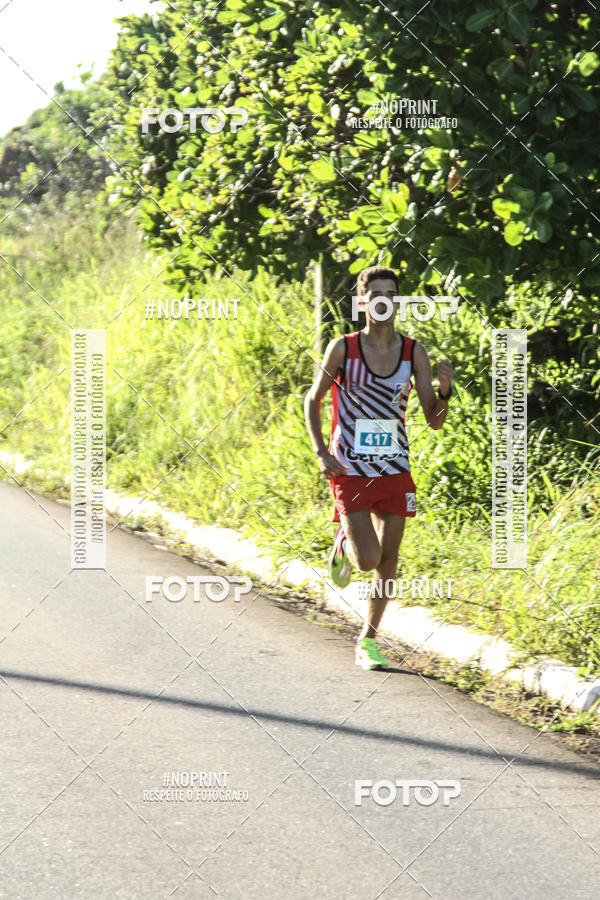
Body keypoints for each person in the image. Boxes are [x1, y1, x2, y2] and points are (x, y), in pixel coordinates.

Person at [304, 265, 454, 669]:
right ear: (363, 301)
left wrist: (445, 390)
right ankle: (344, 543)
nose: (384, 300)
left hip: (394, 469)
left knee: (389, 560)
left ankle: (368, 640)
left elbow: (433, 419)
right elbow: (312, 400)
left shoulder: (413, 352)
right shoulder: (344, 348)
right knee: (367, 560)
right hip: (349, 469)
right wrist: (321, 451)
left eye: (392, 293)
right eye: (377, 294)